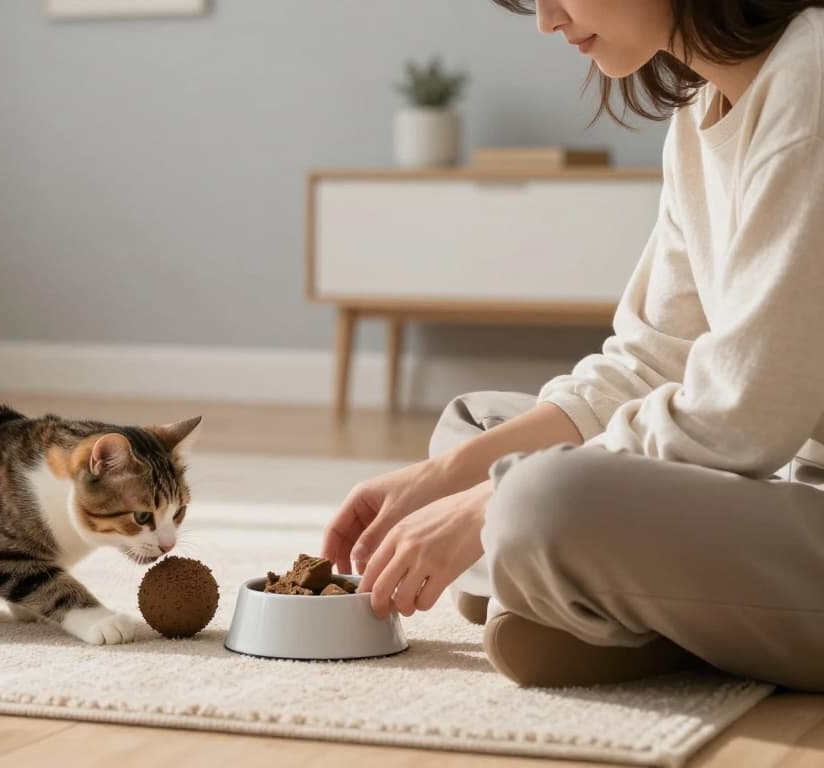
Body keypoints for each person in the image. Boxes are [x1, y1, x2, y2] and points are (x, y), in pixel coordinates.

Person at [322, 0, 824, 690]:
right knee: (474, 426)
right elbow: (649, 360)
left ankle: (599, 602)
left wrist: (491, 501)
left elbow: (741, 418)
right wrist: (450, 477)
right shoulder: (701, 112)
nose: (547, 20)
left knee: (541, 500)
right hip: (783, 489)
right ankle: (619, 598)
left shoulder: (813, 81)